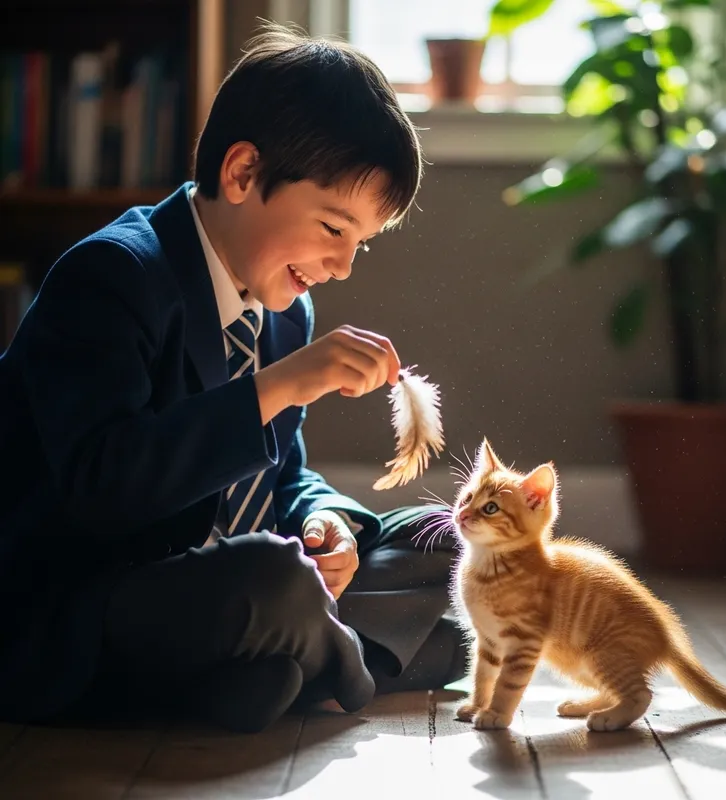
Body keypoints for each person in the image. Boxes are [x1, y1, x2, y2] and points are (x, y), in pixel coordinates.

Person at [0, 23, 467, 733]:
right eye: (333, 229)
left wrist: (325, 521)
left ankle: (269, 671)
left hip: (227, 595)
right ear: (243, 173)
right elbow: (101, 487)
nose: (342, 266)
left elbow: (281, 479)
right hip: (93, 600)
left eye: (359, 245)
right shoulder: (114, 276)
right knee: (272, 584)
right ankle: (329, 662)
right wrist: (278, 386)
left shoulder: (285, 313)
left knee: (453, 550)